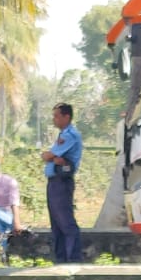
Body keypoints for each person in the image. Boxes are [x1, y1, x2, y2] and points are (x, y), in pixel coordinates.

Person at [41, 102, 82, 263]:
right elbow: (51, 157)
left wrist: (49, 156)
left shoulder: (69, 135)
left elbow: (49, 155)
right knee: (56, 224)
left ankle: (72, 259)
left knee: (65, 222)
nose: (54, 119)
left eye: (57, 116)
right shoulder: (62, 134)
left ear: (67, 117)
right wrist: (51, 157)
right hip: (54, 182)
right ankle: (61, 259)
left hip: (61, 182)